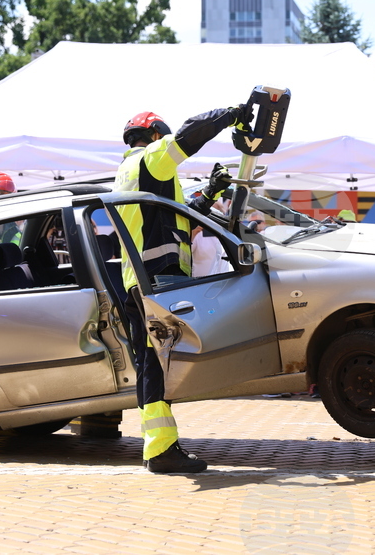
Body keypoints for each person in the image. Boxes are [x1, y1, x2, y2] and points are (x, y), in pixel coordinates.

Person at [116, 105, 252, 474]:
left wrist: (209, 193)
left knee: (151, 364)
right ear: (156, 135)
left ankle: (159, 447)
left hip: (139, 282)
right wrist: (233, 114)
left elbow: (176, 218)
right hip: (157, 280)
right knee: (156, 366)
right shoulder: (151, 160)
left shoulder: (130, 173)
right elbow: (191, 134)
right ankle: (160, 451)